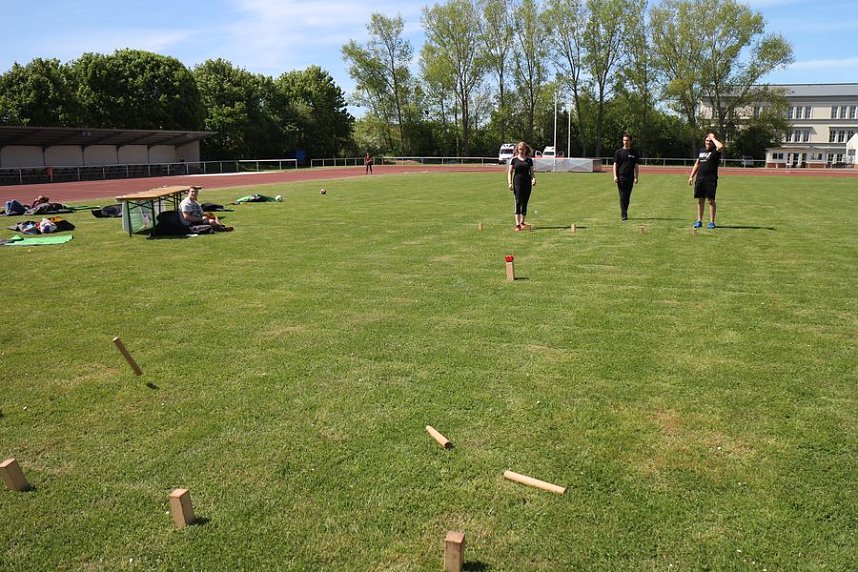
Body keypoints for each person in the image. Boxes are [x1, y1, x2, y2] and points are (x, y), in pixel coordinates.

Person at [688, 133, 724, 229]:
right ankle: (699, 221)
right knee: (700, 200)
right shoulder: (701, 150)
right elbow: (697, 163)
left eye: (710, 141)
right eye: (707, 140)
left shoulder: (715, 151)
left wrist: (712, 137)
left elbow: (720, 146)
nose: (708, 142)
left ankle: (711, 222)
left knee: (711, 201)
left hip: (710, 179)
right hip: (700, 179)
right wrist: (691, 176)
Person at [507, 141, 536, 231]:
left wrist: (534, 179)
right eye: (520, 149)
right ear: (517, 149)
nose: (521, 150)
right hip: (517, 182)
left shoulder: (529, 160)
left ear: (526, 149)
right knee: (518, 201)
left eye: (523, 149)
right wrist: (510, 183)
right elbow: (510, 172)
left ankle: (522, 222)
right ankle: (517, 225)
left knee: (525, 202)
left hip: (527, 183)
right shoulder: (514, 159)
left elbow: (531, 172)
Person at [612, 133, 640, 220]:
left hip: (630, 177)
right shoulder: (618, 152)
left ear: (630, 141)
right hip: (621, 177)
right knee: (623, 195)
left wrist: (636, 177)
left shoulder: (634, 152)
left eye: (627, 140)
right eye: (624, 140)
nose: (625, 142)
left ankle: (625, 211)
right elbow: (615, 165)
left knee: (627, 196)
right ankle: (624, 214)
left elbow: (636, 166)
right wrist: (615, 176)